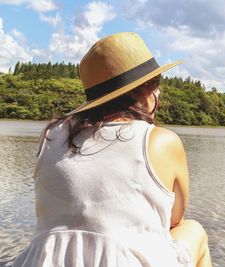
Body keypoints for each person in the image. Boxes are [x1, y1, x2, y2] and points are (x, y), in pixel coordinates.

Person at [12, 32, 212, 267]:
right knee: (194, 230)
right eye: (156, 86)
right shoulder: (160, 141)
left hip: (42, 261)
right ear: (148, 92)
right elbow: (174, 219)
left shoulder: (51, 135)